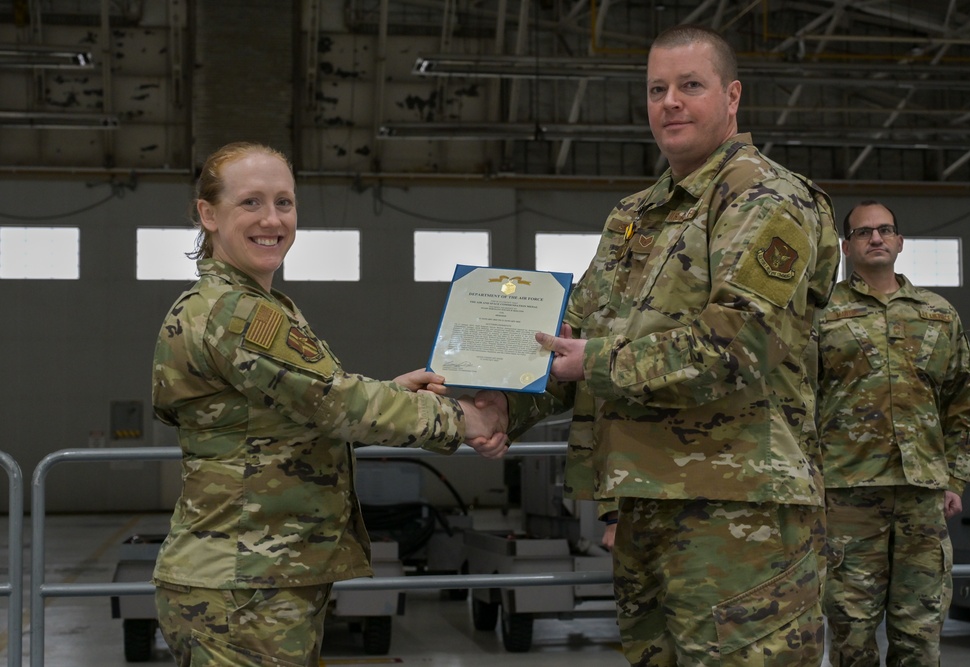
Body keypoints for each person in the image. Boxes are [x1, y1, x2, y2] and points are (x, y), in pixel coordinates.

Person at [479, 24, 841, 665]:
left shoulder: (764, 197)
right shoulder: (635, 216)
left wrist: (594, 361)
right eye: (656, 89)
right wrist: (503, 404)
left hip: (738, 515)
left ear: (732, 97)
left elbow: (739, 343)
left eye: (689, 86)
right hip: (646, 504)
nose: (669, 101)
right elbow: (575, 344)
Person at [150, 141, 508, 666]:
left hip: (256, 575)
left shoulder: (244, 306)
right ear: (208, 214)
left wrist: (393, 393)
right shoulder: (237, 313)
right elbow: (338, 402)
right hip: (243, 586)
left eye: (284, 202)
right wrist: (464, 419)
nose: (271, 219)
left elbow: (306, 402)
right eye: (250, 202)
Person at [818, 200, 970, 666]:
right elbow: (797, 402)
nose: (876, 238)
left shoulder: (937, 314)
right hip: (847, 494)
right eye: (863, 232)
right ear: (846, 245)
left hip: (921, 495)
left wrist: (956, 478)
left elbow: (963, 402)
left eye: (885, 229)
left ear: (899, 241)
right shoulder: (822, 313)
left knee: (920, 631)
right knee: (851, 632)